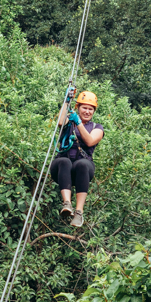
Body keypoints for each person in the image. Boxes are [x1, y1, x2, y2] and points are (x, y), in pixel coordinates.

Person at [50, 90, 104, 228]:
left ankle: (79, 212)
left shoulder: (96, 127)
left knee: (82, 164)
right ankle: (67, 204)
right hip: (62, 166)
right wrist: (67, 101)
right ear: (78, 107)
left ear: (94, 111)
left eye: (90, 109)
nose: (87, 111)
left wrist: (79, 123)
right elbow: (60, 122)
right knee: (65, 161)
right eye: (84, 108)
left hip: (82, 169)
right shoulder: (70, 120)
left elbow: (90, 141)